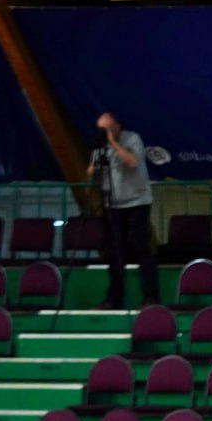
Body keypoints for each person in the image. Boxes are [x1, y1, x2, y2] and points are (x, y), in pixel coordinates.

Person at [87, 112, 159, 308]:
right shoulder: (100, 146)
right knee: (114, 252)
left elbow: (132, 161)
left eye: (108, 128)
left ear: (117, 126)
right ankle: (114, 298)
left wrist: (113, 143)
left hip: (137, 202)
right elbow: (91, 171)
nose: (105, 132)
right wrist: (94, 166)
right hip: (112, 204)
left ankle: (151, 296)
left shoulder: (132, 139)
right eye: (101, 129)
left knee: (140, 247)